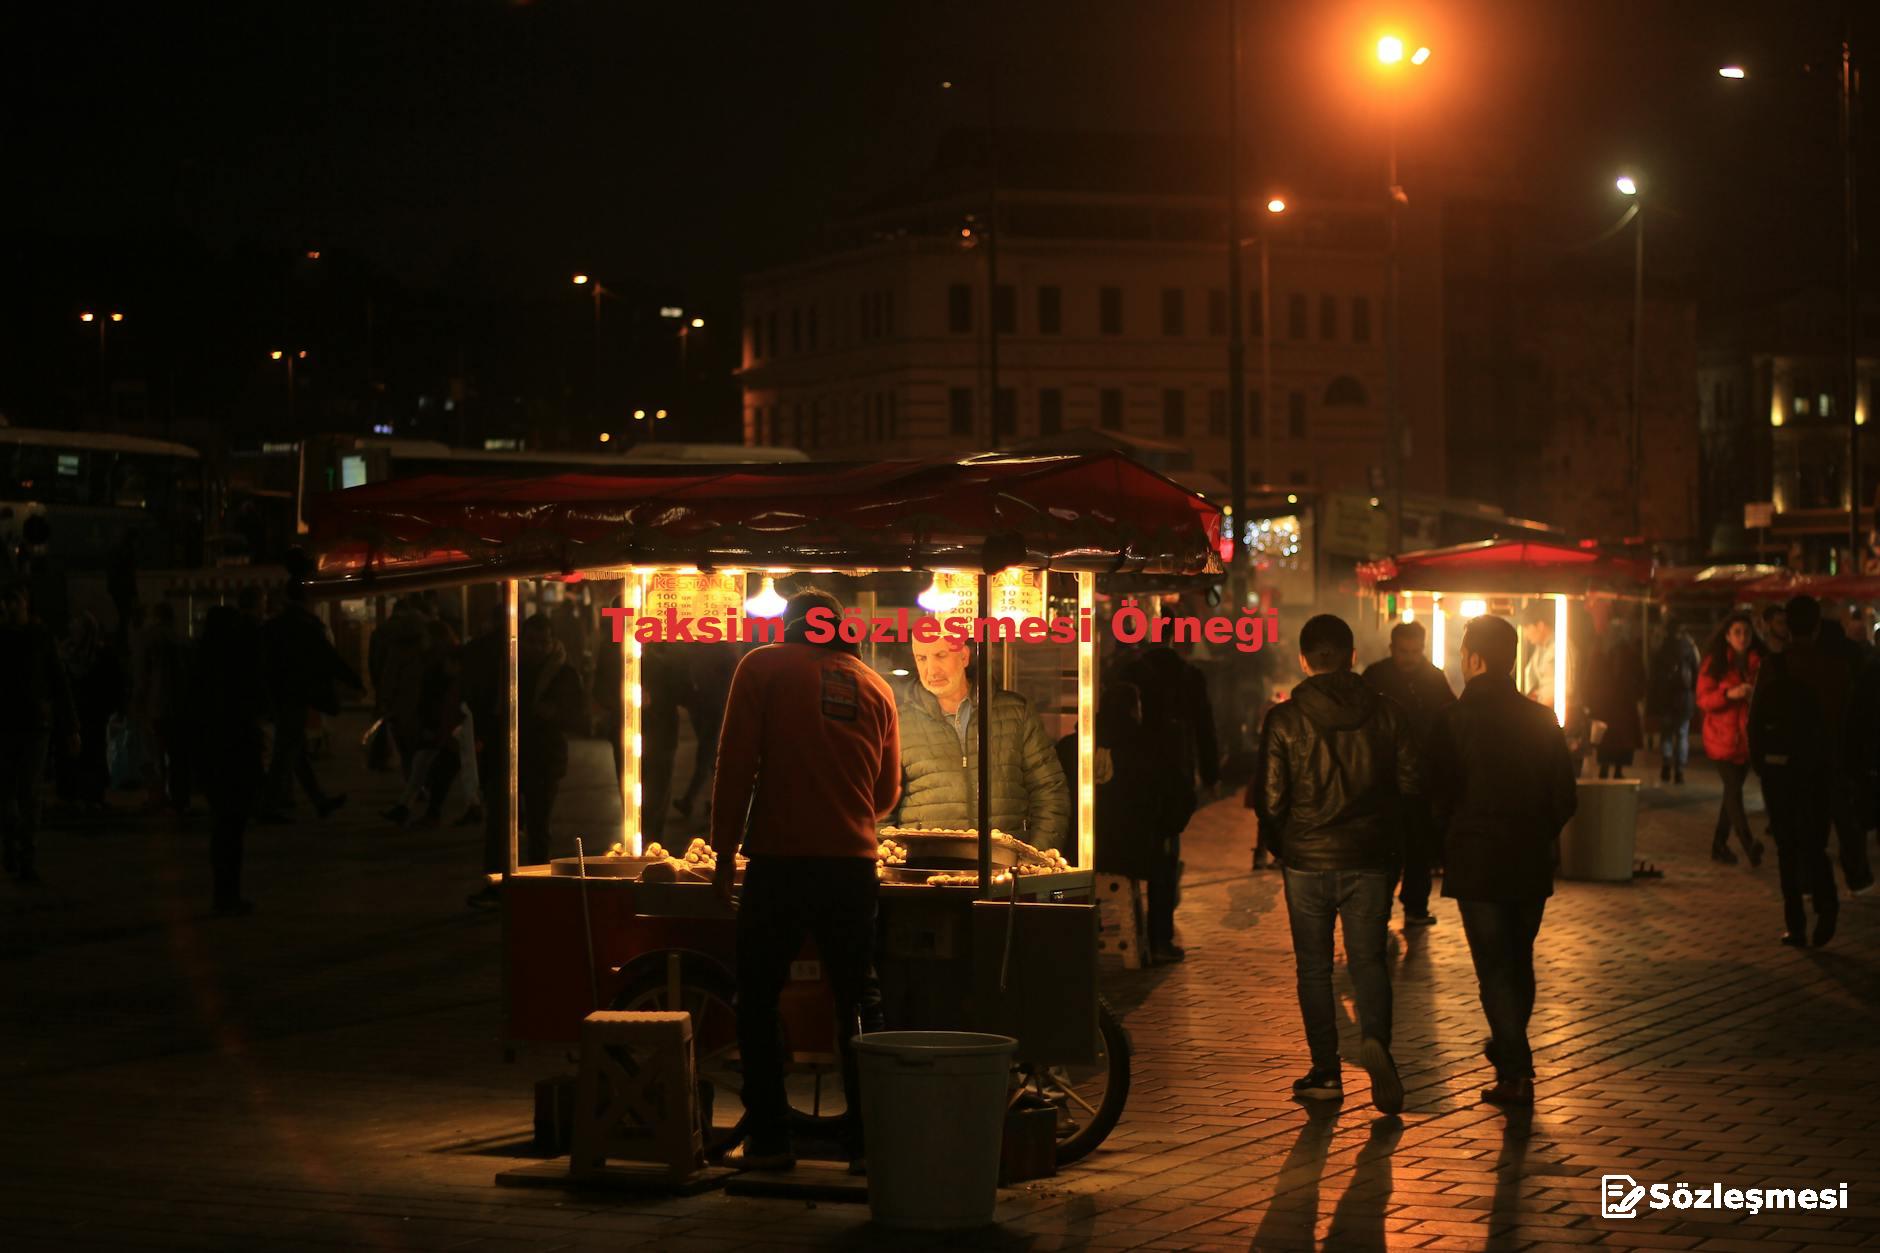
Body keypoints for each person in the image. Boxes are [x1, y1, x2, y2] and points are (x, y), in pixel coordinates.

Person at [709, 588, 900, 1171]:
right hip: (852, 863)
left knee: (758, 995)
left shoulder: (761, 667)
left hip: (780, 861)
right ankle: (869, 1143)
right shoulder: (876, 686)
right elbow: (886, 794)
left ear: (788, 625)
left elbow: (735, 764)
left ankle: (771, 1140)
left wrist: (723, 853)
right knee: (858, 996)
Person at [1255, 613, 1417, 1114]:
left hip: (1307, 860)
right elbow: (1412, 787)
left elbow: (1270, 800)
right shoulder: (1389, 714)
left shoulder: (1284, 720)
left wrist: (1286, 848)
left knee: (1314, 968)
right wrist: (1393, 846)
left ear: (1304, 660)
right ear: (1353, 657)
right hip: (1370, 858)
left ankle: (1325, 1072)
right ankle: (1376, 1043)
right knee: (1369, 961)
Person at [1424, 615, 1578, 1106]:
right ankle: (1511, 1057)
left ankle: (1515, 1064)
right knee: (1518, 958)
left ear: (1473, 659)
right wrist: (1537, 832)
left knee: (1492, 966)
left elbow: (1437, 794)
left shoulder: (1451, 720)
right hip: (1528, 857)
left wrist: (1449, 837)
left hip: (1476, 859)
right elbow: (1565, 796)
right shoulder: (1541, 719)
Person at [893, 633, 1069, 851]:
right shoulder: (899, 721)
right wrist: (890, 859)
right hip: (924, 864)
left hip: (1004, 863)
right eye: (922, 658)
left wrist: (1034, 857)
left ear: (964, 656)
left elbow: (1050, 792)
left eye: (941, 655)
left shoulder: (1016, 712)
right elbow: (879, 805)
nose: (932, 670)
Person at [1748, 594, 1846, 946]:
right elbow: (1842, 721)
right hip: (1819, 767)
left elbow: (1755, 720)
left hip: (1780, 768)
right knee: (1815, 843)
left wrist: (1761, 763)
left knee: (1787, 847)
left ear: (1787, 626)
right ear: (1817, 626)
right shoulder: (1832, 668)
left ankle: (1796, 924)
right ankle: (1826, 905)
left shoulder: (1773, 666)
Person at [1123, 641, 1220, 959]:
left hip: (1132, 775)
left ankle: (1137, 930)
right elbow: (1205, 726)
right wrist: (1210, 774)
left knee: (1142, 852)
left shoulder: (1130, 671)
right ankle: (1159, 938)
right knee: (1165, 853)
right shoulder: (1189, 677)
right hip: (1172, 775)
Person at [1361, 620, 1456, 925]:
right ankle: (1385, 906)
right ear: (1392, 648)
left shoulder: (1432, 678)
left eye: (1415, 651)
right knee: (1387, 847)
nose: (1410, 658)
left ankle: (1413, 906)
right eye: (1404, 651)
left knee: (1418, 845)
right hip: (1385, 776)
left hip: (1419, 776)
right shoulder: (1376, 676)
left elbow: (1447, 722)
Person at [1089, 681, 1189, 961]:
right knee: (1165, 864)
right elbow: (1179, 796)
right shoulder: (1150, 748)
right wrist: (1165, 830)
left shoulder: (1078, 744)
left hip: (1087, 849)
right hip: (1137, 849)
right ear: (1135, 710)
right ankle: (1160, 942)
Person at [0, 584, 79, 882]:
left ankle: (25, 854)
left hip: (33, 725)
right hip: (13, 724)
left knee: (28, 791)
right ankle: (14, 844)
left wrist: (71, 726)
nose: (10, 607)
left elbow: (59, 681)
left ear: (26, 604)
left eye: (15, 601)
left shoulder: (40, 637)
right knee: (10, 791)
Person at [261, 585, 360, 820]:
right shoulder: (305, 625)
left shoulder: (273, 627)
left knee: (294, 750)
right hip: (295, 694)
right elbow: (327, 656)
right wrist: (353, 680)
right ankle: (268, 806)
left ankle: (318, 800)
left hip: (279, 693)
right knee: (286, 751)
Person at [195, 605, 269, 915]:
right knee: (232, 827)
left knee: (223, 826)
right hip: (235, 750)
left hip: (213, 751)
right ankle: (228, 894)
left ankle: (223, 892)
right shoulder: (238, 668)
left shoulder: (202, 664)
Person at [1695, 612, 1763, 866]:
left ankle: (1719, 845)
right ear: (1727, 636)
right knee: (1734, 792)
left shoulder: (1758, 664)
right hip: (1721, 738)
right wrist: (1729, 694)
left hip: (1746, 739)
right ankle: (1748, 843)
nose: (1742, 637)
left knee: (1730, 794)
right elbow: (1704, 699)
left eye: (1746, 632)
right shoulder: (1715, 664)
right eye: (1737, 632)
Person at [57, 611, 126, 809]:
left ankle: (87, 794)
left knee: (90, 753)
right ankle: (78, 794)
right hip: (80, 713)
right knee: (79, 753)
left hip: (91, 713)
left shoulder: (97, 656)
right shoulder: (70, 654)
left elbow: (114, 684)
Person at [1589, 623, 1645, 780]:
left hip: (1606, 705)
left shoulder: (1602, 653)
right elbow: (1640, 679)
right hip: (1625, 705)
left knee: (1607, 739)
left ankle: (1605, 767)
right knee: (1622, 740)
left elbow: (1593, 678)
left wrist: (1593, 700)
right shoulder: (1631, 655)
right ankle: (1618, 770)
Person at [1649, 624, 1700, 785]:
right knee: (1682, 734)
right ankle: (1679, 770)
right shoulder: (1690, 647)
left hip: (1665, 698)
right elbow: (1697, 670)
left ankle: (1666, 762)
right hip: (1684, 697)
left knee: (1666, 734)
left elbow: (1654, 675)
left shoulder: (1662, 647)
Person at [1520, 608, 1557, 709]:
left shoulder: (1562, 648)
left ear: (1540, 625)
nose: (1525, 635)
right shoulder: (1540, 649)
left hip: (1557, 712)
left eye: (1527, 627)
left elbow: (1566, 691)